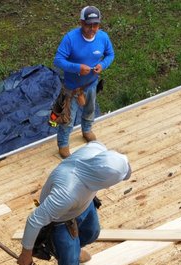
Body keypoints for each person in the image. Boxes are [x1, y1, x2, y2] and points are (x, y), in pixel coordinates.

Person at [18, 142, 131, 265]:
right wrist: (26, 254)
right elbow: (35, 220)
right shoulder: (66, 193)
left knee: (92, 233)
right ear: (104, 182)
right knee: (69, 260)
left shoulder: (96, 150)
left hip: (84, 204)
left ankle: (74, 250)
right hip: (62, 220)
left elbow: (119, 165)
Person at [53, 6, 115, 159]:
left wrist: (103, 65)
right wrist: (77, 68)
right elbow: (58, 60)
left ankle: (86, 130)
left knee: (89, 109)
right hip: (71, 88)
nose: (92, 29)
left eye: (95, 25)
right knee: (67, 117)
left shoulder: (103, 38)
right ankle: (63, 144)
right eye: (88, 25)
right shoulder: (70, 39)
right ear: (81, 22)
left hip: (91, 84)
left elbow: (110, 54)